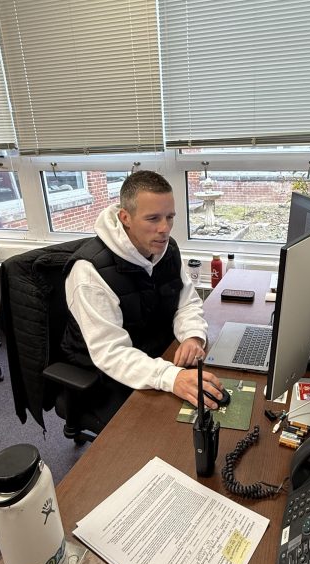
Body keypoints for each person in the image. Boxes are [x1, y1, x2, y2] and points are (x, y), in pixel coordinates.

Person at [61, 170, 223, 426]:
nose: (165, 229)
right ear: (125, 217)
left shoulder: (165, 249)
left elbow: (187, 302)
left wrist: (192, 335)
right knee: (170, 434)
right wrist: (171, 378)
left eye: (170, 217)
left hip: (157, 355)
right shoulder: (89, 273)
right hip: (108, 376)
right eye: (153, 218)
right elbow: (111, 353)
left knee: (209, 412)